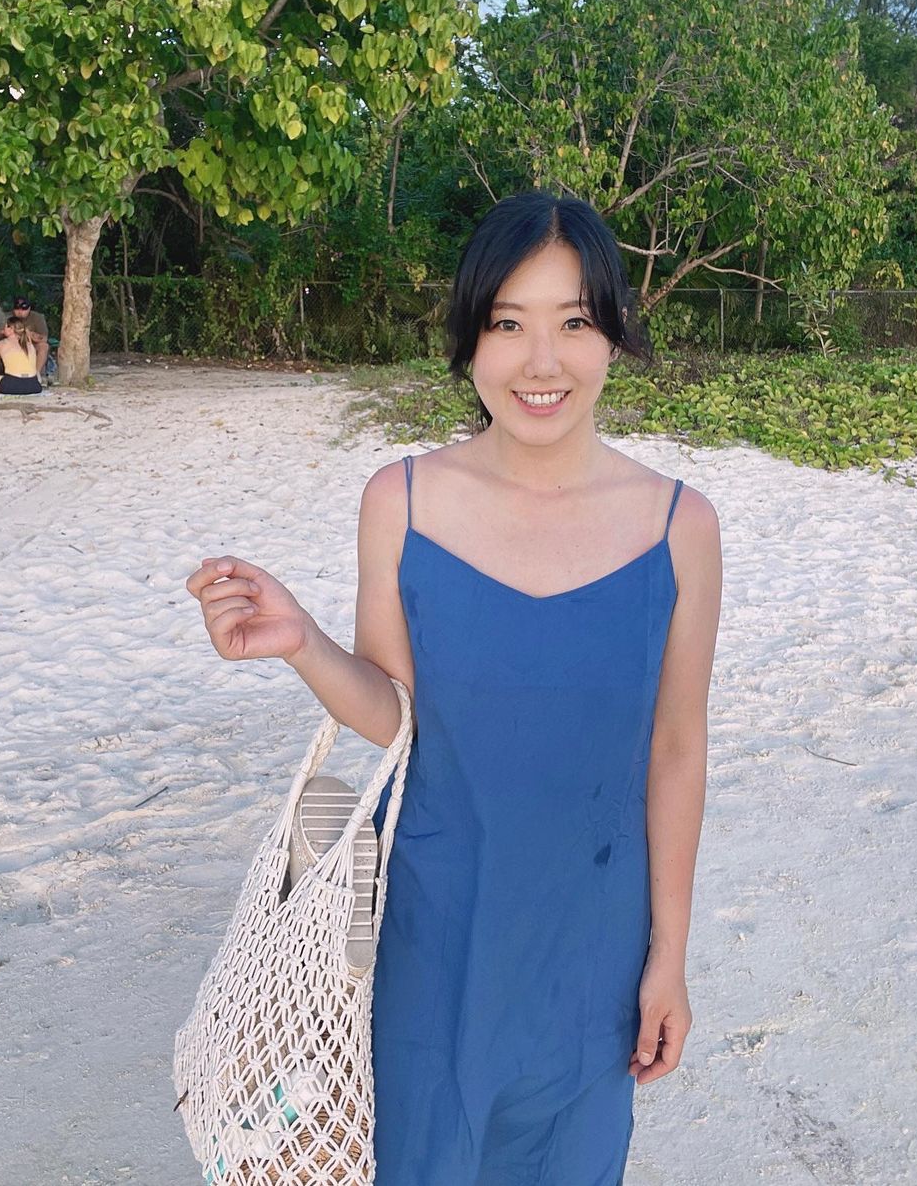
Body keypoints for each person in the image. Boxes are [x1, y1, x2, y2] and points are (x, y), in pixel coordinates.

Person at [187, 190, 722, 1185]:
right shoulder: (403, 500)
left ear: (613, 332)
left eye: (573, 323)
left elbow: (677, 751)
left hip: (590, 946)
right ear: (470, 339)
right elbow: (395, 715)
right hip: (428, 934)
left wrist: (669, 954)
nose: (541, 362)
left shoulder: (679, 527)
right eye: (508, 324)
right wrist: (303, 643)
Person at [0, 316, 43, 395]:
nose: (3, 330)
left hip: (11, 386)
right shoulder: (29, 344)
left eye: (5, 327)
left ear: (11, 329)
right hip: (34, 386)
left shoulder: (0, 344)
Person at [11, 293, 50, 379]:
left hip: (31, 345)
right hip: (13, 345)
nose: (20, 312)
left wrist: (32, 335)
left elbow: (44, 338)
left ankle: (36, 374)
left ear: (29, 308)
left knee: (44, 346)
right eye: (17, 309)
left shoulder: (37, 317)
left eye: (23, 309)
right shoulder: (9, 317)